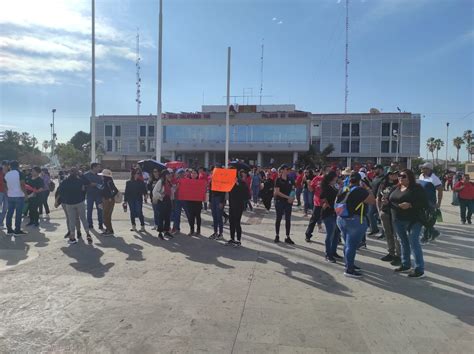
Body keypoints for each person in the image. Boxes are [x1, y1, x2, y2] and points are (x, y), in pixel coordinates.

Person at [389, 169, 428, 278]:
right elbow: (391, 200)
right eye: (399, 176)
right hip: (398, 219)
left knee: (414, 242)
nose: (400, 178)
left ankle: (419, 269)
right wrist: (385, 201)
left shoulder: (417, 188)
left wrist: (410, 205)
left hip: (414, 220)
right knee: (403, 242)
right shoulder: (396, 187)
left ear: (410, 177)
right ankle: (405, 264)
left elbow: (424, 203)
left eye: (403, 176)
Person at [336, 172, 375, 278]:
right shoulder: (360, 191)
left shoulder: (343, 189)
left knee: (347, 244)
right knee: (351, 245)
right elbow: (372, 201)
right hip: (355, 221)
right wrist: (368, 189)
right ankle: (349, 270)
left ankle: (348, 264)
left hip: (341, 219)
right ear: (360, 181)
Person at [57, 168, 92, 245]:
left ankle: (72, 237)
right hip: (80, 201)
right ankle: (88, 234)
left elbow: (60, 191)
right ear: (77, 173)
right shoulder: (80, 181)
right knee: (83, 218)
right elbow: (88, 182)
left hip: (69, 203)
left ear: (69, 173)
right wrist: (81, 175)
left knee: (71, 220)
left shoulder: (65, 182)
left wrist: (65, 199)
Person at [377, 167, 402, 265]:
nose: (394, 175)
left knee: (396, 235)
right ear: (388, 174)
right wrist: (379, 210)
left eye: (396, 173)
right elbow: (378, 197)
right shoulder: (383, 184)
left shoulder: (400, 185)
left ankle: (399, 255)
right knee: (388, 234)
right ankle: (391, 253)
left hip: (395, 212)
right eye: (391, 173)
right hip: (385, 212)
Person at [319, 171, 341, 262]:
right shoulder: (326, 187)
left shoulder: (335, 186)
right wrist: (326, 203)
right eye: (336, 176)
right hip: (328, 213)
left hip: (336, 212)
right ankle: (328, 254)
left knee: (336, 234)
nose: (337, 178)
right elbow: (322, 197)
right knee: (330, 234)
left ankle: (333, 251)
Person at [419, 162, 443, 241]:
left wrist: (438, 203)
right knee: (422, 219)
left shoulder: (434, 178)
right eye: (422, 168)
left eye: (424, 168)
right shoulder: (421, 176)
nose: (422, 169)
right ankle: (434, 232)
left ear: (429, 169)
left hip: (430, 202)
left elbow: (440, 191)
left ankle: (425, 236)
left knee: (428, 219)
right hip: (421, 201)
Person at [226, 170, 250, 247]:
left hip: (239, 205)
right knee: (231, 222)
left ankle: (238, 240)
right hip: (231, 205)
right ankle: (232, 238)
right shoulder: (230, 182)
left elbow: (247, 195)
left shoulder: (242, 183)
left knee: (237, 222)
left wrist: (238, 184)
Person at [4, 160, 28, 236]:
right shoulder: (20, 173)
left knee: (9, 213)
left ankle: (9, 230)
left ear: (10, 166)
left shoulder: (7, 174)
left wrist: (8, 191)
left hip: (10, 195)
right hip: (19, 195)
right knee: (18, 214)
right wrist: (26, 194)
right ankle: (17, 230)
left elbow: (4, 185)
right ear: (18, 166)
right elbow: (22, 185)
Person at [274, 164, 296, 244]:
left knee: (288, 219)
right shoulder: (278, 180)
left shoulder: (291, 179)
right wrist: (288, 197)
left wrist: (292, 198)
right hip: (279, 201)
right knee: (278, 218)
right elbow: (277, 192)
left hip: (288, 203)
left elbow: (293, 189)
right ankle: (277, 235)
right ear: (282, 170)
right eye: (287, 169)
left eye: (289, 169)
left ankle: (287, 236)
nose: (288, 171)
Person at [153, 169, 174, 239]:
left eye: (169, 174)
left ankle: (166, 231)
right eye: (167, 174)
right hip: (162, 201)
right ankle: (160, 233)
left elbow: (171, 191)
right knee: (161, 217)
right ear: (164, 175)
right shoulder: (160, 182)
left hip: (168, 201)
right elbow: (154, 192)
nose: (169, 175)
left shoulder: (169, 182)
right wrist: (161, 196)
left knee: (168, 217)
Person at [83, 163, 104, 231]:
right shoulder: (86, 175)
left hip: (99, 195)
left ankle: (100, 224)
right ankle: (90, 224)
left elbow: (102, 184)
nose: (99, 169)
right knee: (89, 210)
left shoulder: (99, 175)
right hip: (90, 195)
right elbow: (85, 184)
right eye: (98, 167)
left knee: (100, 210)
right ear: (93, 167)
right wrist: (92, 184)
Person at [98, 169, 118, 236]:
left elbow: (115, 190)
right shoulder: (105, 182)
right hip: (105, 200)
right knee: (106, 216)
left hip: (108, 200)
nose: (101, 176)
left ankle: (110, 230)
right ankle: (108, 229)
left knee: (106, 216)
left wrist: (110, 197)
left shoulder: (108, 182)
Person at [367, 164, 385, 236]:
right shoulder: (375, 177)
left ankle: (384, 232)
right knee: (370, 214)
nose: (374, 170)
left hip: (380, 199)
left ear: (380, 169)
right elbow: (372, 186)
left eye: (375, 169)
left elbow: (382, 189)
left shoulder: (384, 178)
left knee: (382, 216)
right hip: (373, 199)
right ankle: (374, 229)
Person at [186, 170, 203, 236]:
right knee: (191, 217)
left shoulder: (200, 182)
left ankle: (198, 230)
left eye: (195, 173)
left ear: (197, 174)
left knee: (198, 216)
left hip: (197, 202)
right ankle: (191, 230)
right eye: (192, 173)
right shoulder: (187, 181)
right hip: (189, 202)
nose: (193, 174)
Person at [0, 161, 9, 228]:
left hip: (7, 193)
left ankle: (1, 222)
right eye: (5, 165)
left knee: (5, 208)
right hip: (0, 192)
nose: (6, 167)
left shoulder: (9, 173)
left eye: (7, 165)